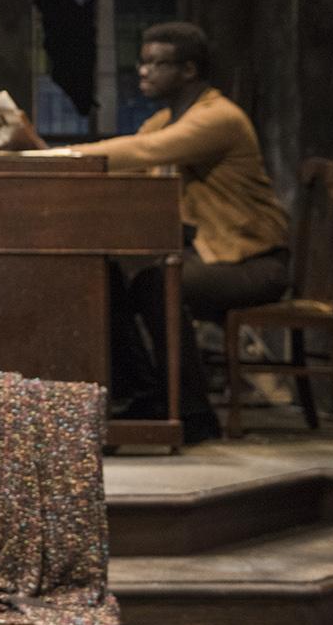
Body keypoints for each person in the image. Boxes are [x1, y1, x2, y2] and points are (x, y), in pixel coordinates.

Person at [69, 22, 290, 443]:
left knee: (159, 283)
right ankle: (144, 393)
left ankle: (192, 411)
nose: (144, 71)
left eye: (158, 63)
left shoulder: (219, 118)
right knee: (106, 279)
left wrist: (58, 155)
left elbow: (147, 151)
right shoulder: (164, 120)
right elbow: (134, 156)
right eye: (143, 62)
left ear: (189, 70)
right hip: (212, 258)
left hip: (254, 263)